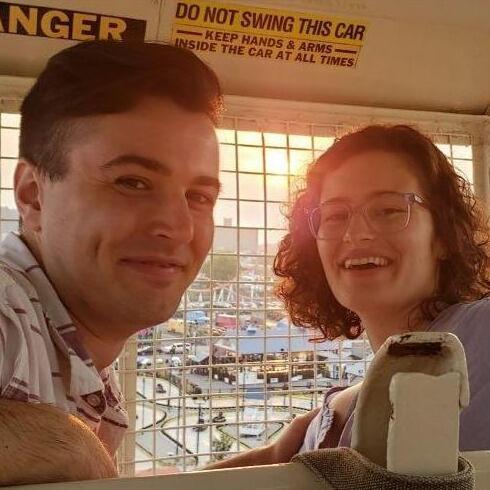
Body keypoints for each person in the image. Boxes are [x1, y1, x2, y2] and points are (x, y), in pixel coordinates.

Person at [0, 39, 315, 483]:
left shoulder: (75, 355)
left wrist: (271, 462)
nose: (179, 227)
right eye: (132, 182)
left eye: (198, 196)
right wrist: (67, 448)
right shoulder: (9, 313)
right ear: (33, 195)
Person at [273, 124, 490, 453]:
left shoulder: (482, 330)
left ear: (445, 236)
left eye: (389, 210)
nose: (355, 234)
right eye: (335, 215)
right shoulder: (334, 415)